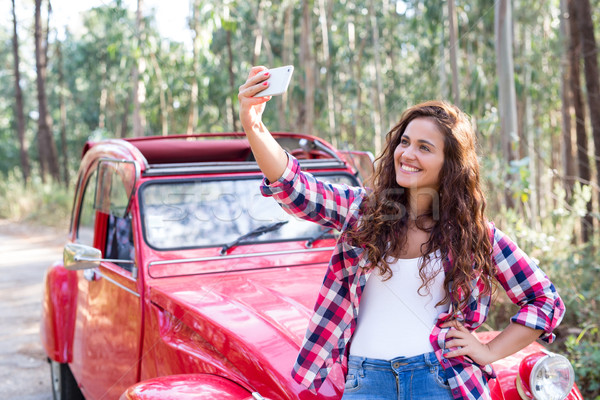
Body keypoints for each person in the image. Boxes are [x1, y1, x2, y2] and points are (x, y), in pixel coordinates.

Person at [237, 66, 565, 400]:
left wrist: (489, 351)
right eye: (405, 142)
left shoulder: (475, 234)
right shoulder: (362, 212)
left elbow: (544, 300)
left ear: (450, 163)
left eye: (425, 147)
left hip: (440, 381)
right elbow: (296, 188)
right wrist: (254, 123)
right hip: (366, 383)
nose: (407, 154)